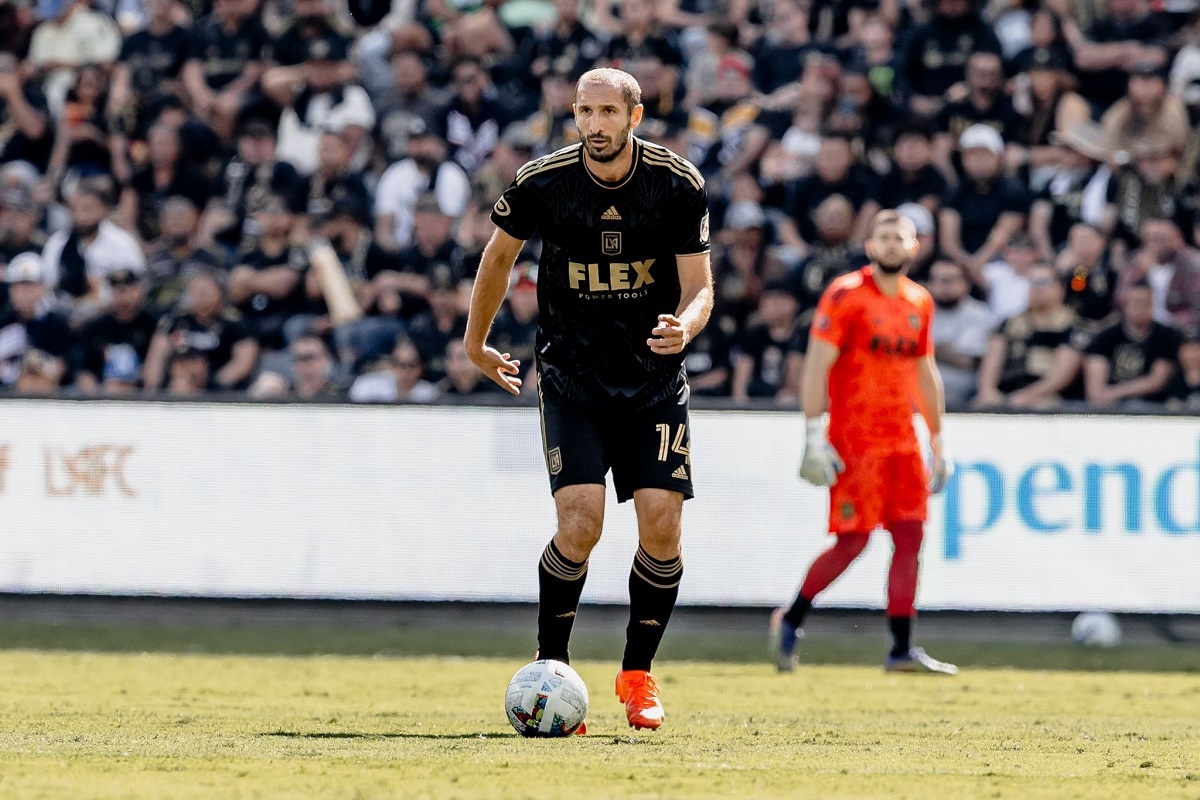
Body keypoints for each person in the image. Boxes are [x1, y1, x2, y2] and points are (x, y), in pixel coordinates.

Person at [464, 68, 713, 731]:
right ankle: (551, 664)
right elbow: (497, 259)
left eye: (607, 112)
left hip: (653, 380)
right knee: (580, 524)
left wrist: (686, 326)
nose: (594, 124)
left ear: (635, 116)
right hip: (572, 379)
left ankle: (637, 676)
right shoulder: (542, 182)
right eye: (584, 111)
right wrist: (475, 343)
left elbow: (699, 284)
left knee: (662, 525)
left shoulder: (677, 183)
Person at [771, 210, 957, 676]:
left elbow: (925, 372)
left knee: (911, 536)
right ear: (870, 246)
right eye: (883, 237)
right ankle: (791, 618)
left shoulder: (919, 301)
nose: (891, 244)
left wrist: (938, 439)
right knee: (853, 541)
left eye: (900, 237)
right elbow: (817, 365)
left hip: (902, 440)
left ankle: (901, 650)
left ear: (914, 247)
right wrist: (813, 434)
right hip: (855, 441)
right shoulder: (846, 295)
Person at [1081, 281, 1179, 407]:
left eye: (1145, 303)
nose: (1140, 308)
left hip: (1151, 407)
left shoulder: (1166, 336)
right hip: (1110, 407)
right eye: (1136, 303)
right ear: (1125, 305)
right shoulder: (1105, 337)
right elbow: (1095, 390)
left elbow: (1157, 380)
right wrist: (1106, 397)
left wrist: (1113, 393)